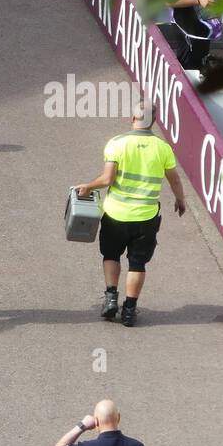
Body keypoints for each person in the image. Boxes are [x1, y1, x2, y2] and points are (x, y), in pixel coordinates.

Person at [73, 103, 187, 327]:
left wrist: (88, 186)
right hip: (146, 217)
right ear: (154, 121)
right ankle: (129, 310)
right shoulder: (163, 148)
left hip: (116, 213)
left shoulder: (117, 144)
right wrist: (180, 199)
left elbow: (107, 180)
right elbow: (174, 179)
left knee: (111, 255)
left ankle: (111, 297)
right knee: (137, 264)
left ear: (132, 117)